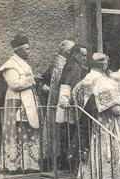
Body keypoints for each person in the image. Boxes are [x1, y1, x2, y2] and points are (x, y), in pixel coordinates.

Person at [79, 66, 120, 179]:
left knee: (108, 151)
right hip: (108, 127)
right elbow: (117, 111)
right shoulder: (106, 91)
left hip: (103, 127)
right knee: (108, 152)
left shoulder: (96, 91)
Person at [0, 35, 40, 173]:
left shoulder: (24, 63)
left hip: (27, 101)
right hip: (16, 101)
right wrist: (31, 80)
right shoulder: (10, 65)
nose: (29, 51)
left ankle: (29, 164)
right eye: (27, 49)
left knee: (28, 130)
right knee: (17, 131)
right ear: (18, 50)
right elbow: (14, 84)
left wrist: (30, 79)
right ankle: (16, 164)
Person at [68, 53, 112, 178]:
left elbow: (75, 93)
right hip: (97, 116)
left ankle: (80, 172)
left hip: (83, 116)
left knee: (83, 141)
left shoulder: (86, 78)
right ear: (103, 65)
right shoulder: (101, 80)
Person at [41, 39, 75, 171]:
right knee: (60, 130)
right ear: (67, 51)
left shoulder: (60, 63)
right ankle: (59, 161)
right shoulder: (60, 66)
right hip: (58, 104)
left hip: (57, 102)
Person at [56, 44, 88, 170]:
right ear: (75, 55)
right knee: (71, 132)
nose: (85, 58)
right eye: (83, 55)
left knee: (68, 132)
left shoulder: (73, 66)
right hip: (71, 104)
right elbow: (70, 85)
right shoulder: (73, 67)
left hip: (69, 103)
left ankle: (65, 162)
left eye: (86, 55)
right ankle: (69, 163)